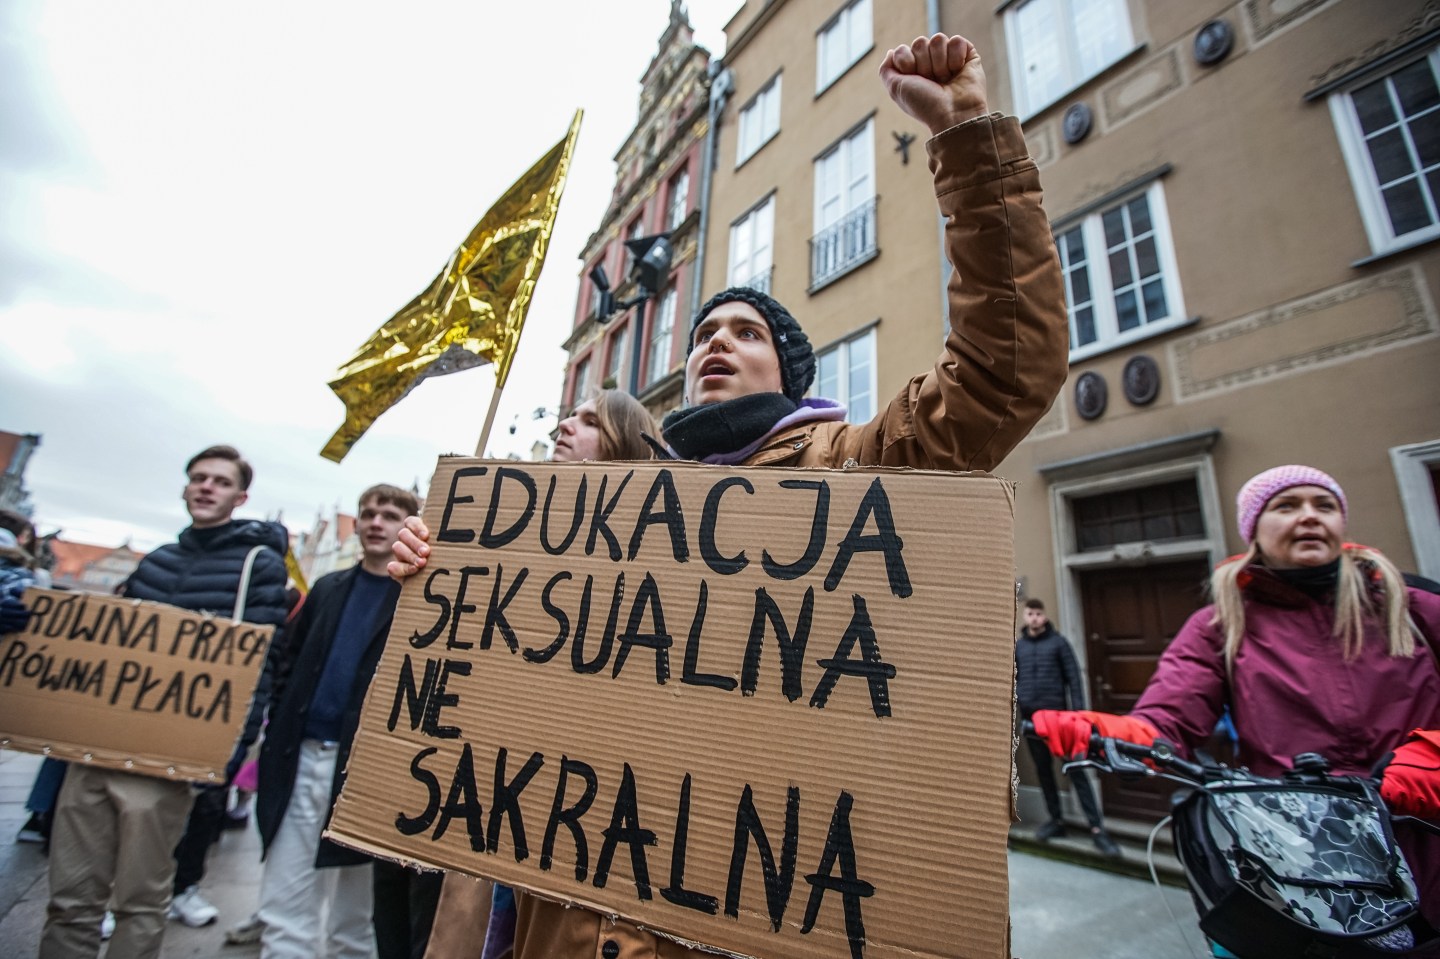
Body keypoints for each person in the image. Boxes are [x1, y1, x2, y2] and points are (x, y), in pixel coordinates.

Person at [392, 31, 1068, 959]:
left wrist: (970, 139)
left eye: (745, 331)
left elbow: (1005, 373)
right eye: (704, 330)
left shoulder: (852, 463)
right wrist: (441, 580)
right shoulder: (615, 506)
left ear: (786, 372)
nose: (714, 341)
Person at [1030, 464, 1440, 929]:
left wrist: (1433, 755)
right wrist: (1117, 733)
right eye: (1286, 506)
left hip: (1425, 843)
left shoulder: (1412, 605)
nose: (1309, 517)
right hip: (1300, 854)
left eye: (1323, 505)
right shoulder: (1221, 623)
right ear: (1254, 530)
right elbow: (1170, 716)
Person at [39, 445, 290, 959]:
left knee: (141, 900)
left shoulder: (255, 567)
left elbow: (260, 663)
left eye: (220, 481)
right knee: (70, 901)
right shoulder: (156, 561)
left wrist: (227, 755)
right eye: (198, 478)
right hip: (95, 745)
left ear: (240, 497)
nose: (206, 487)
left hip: (168, 759)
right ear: (184, 488)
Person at [253, 484, 421, 959]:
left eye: (389, 514)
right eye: (368, 513)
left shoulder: (416, 596)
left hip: (366, 771)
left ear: (409, 524)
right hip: (304, 756)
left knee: (357, 916)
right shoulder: (328, 588)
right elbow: (289, 664)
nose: (375, 522)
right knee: (286, 899)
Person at [1015, 598, 1119, 856]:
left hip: (1061, 722)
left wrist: (1079, 715)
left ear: (1045, 616)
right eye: (1030, 613)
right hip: (1031, 721)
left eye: (1039, 613)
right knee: (1044, 771)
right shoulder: (1018, 647)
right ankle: (1056, 821)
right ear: (1025, 616)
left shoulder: (1059, 643)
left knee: (1076, 770)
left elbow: (1074, 678)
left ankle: (1097, 829)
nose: (1035, 618)